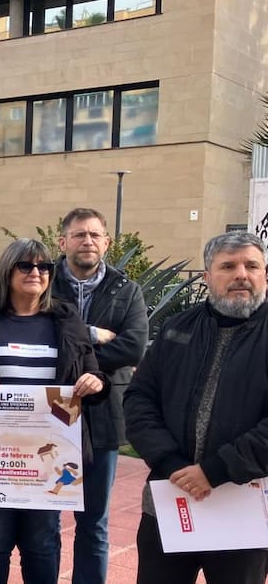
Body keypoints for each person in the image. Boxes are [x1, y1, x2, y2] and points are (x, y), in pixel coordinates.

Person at [0, 238, 108, 584]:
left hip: (53, 450)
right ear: (7, 271)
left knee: (42, 541)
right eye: (26, 266)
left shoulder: (66, 319)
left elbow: (92, 371)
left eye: (44, 267)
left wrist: (95, 382)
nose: (36, 273)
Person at [124, 231, 268, 584]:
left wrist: (215, 469)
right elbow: (139, 399)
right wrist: (170, 464)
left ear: (266, 273)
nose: (241, 275)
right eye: (228, 266)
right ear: (207, 277)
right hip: (171, 499)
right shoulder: (176, 329)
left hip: (244, 507)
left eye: (252, 265)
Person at [51, 207, 148, 583]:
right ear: (63, 242)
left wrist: (78, 360)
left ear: (107, 243)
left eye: (94, 235)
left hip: (104, 416)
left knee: (94, 522)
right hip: (51, 414)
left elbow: (133, 347)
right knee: (45, 518)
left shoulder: (128, 289)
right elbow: (40, 335)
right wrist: (92, 335)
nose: (87, 241)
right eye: (79, 235)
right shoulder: (41, 282)